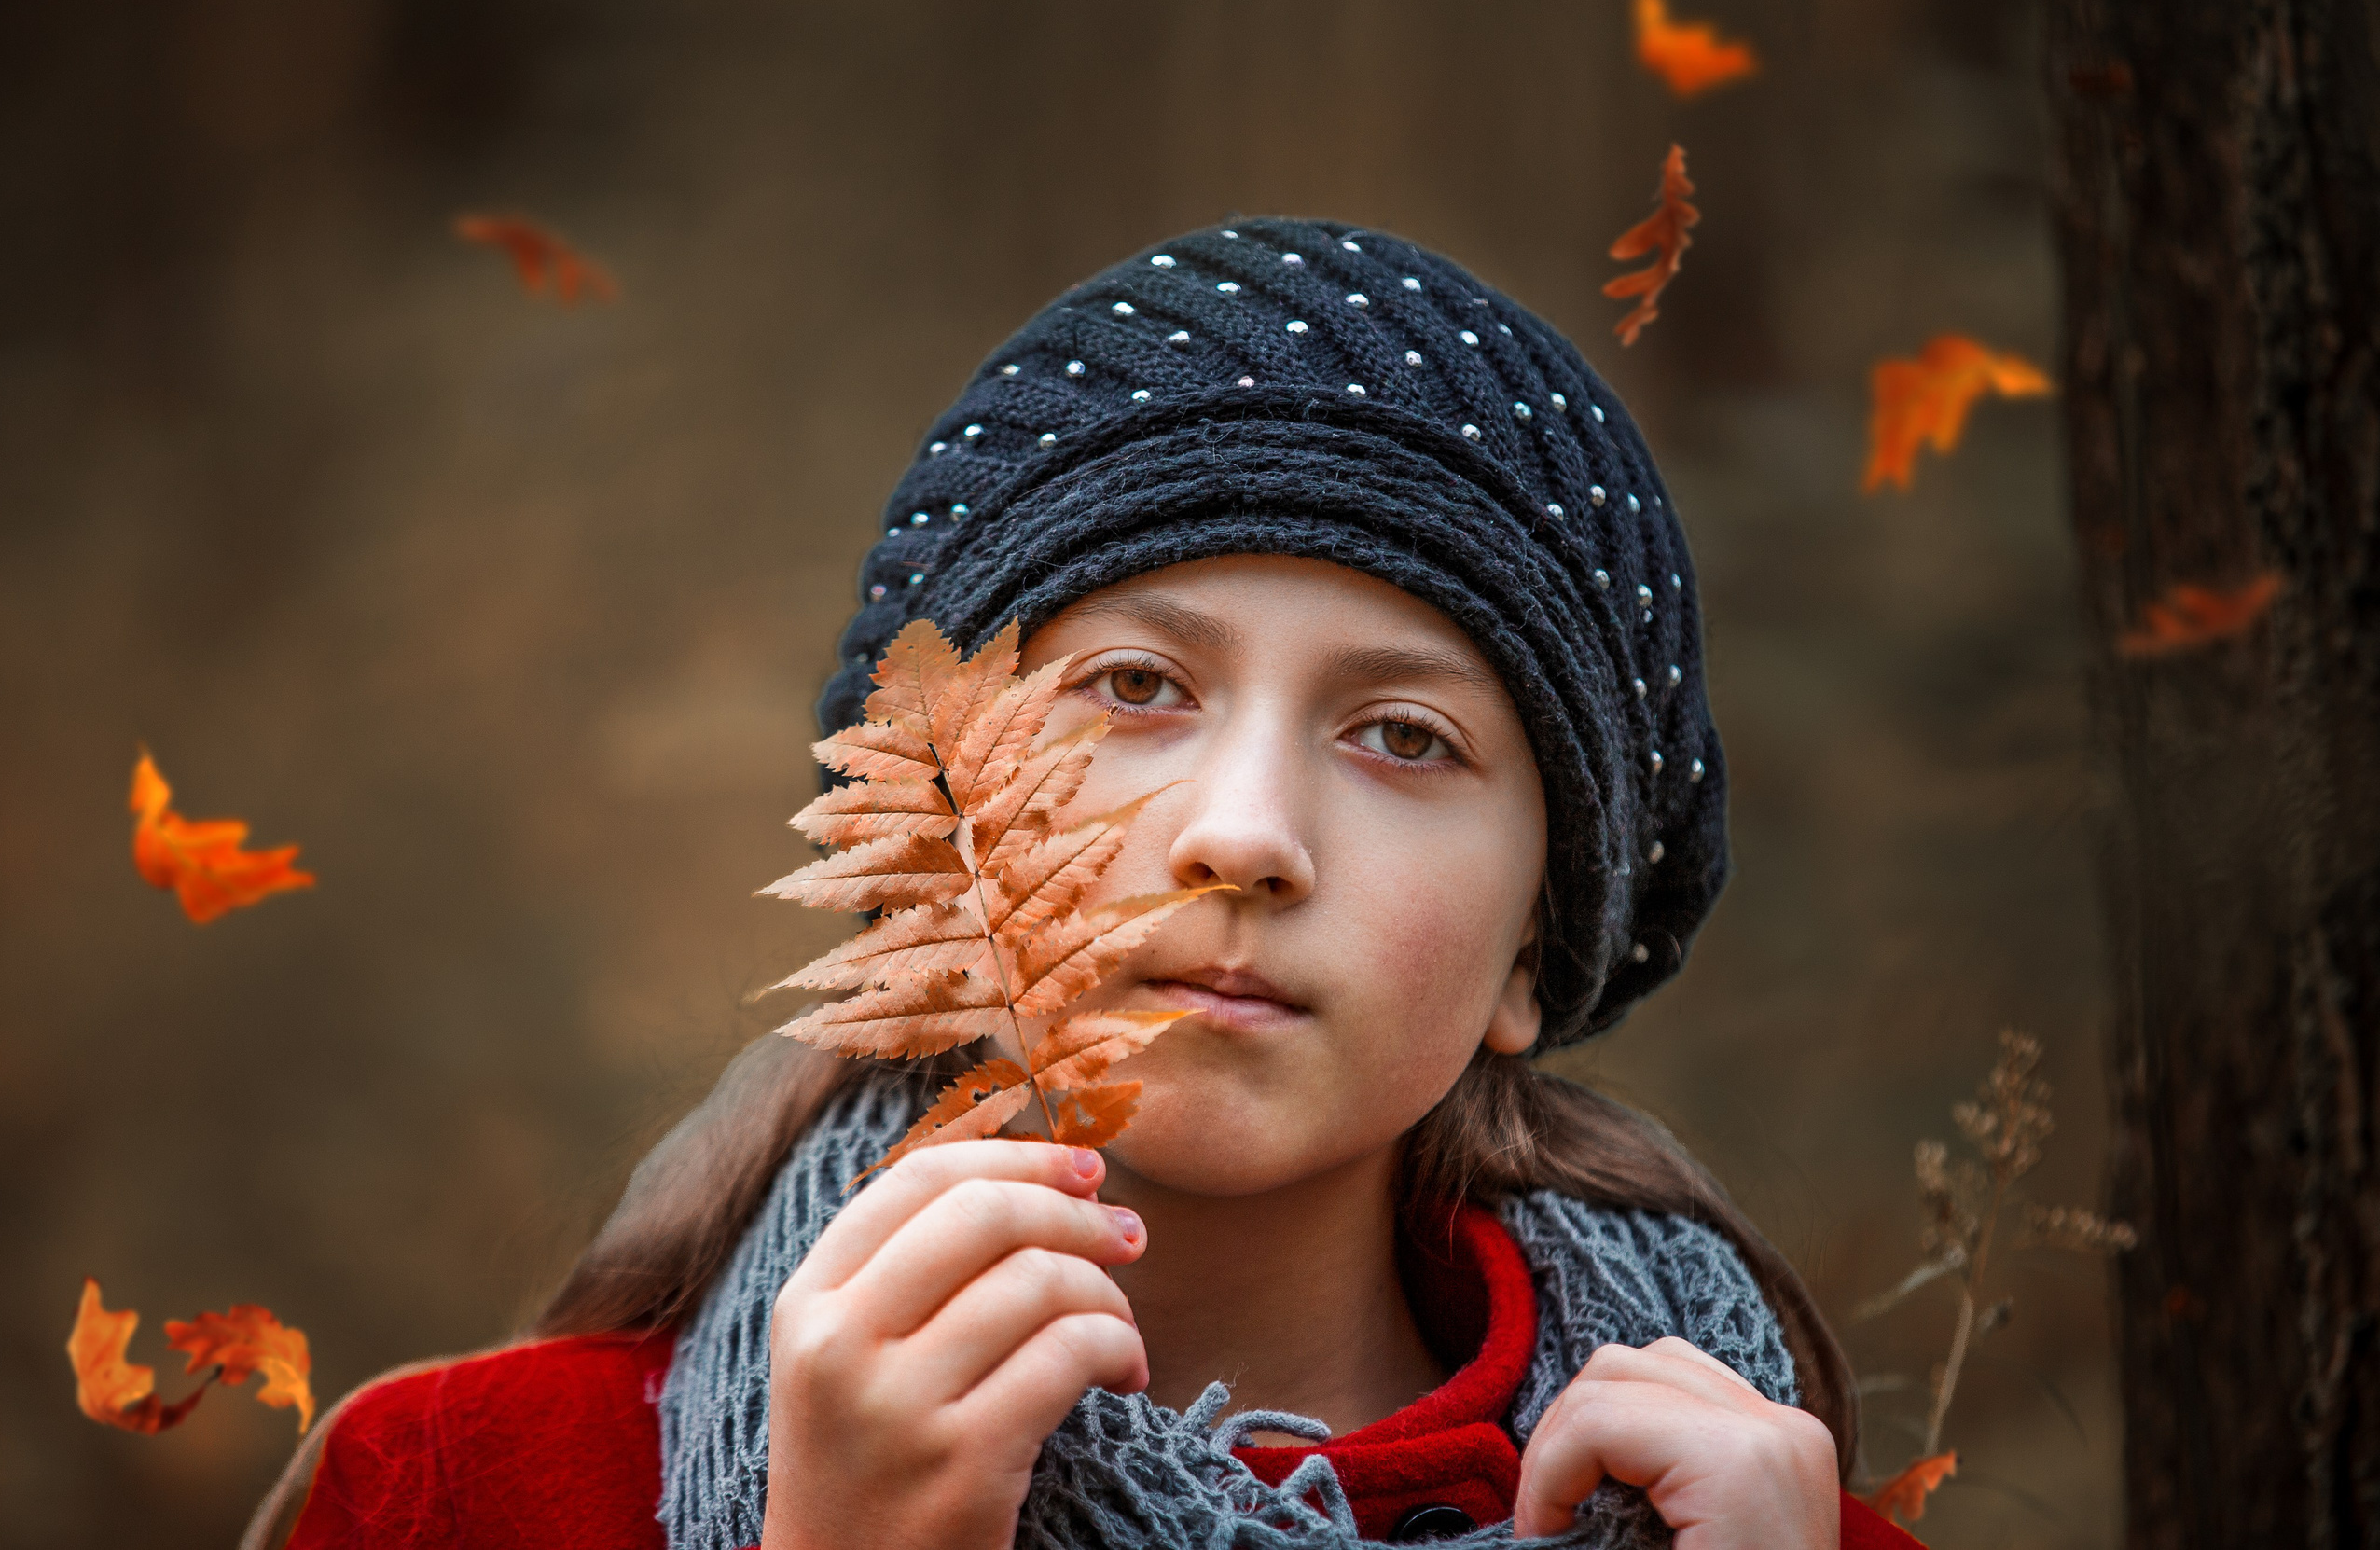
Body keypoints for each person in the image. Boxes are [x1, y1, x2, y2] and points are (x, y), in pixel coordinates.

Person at [252, 220, 1921, 1550]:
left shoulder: (1759, 1530)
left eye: (1405, 736)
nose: (1246, 833)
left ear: (1532, 963)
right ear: (929, 814)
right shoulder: (464, 1494)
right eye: (1135, 689)